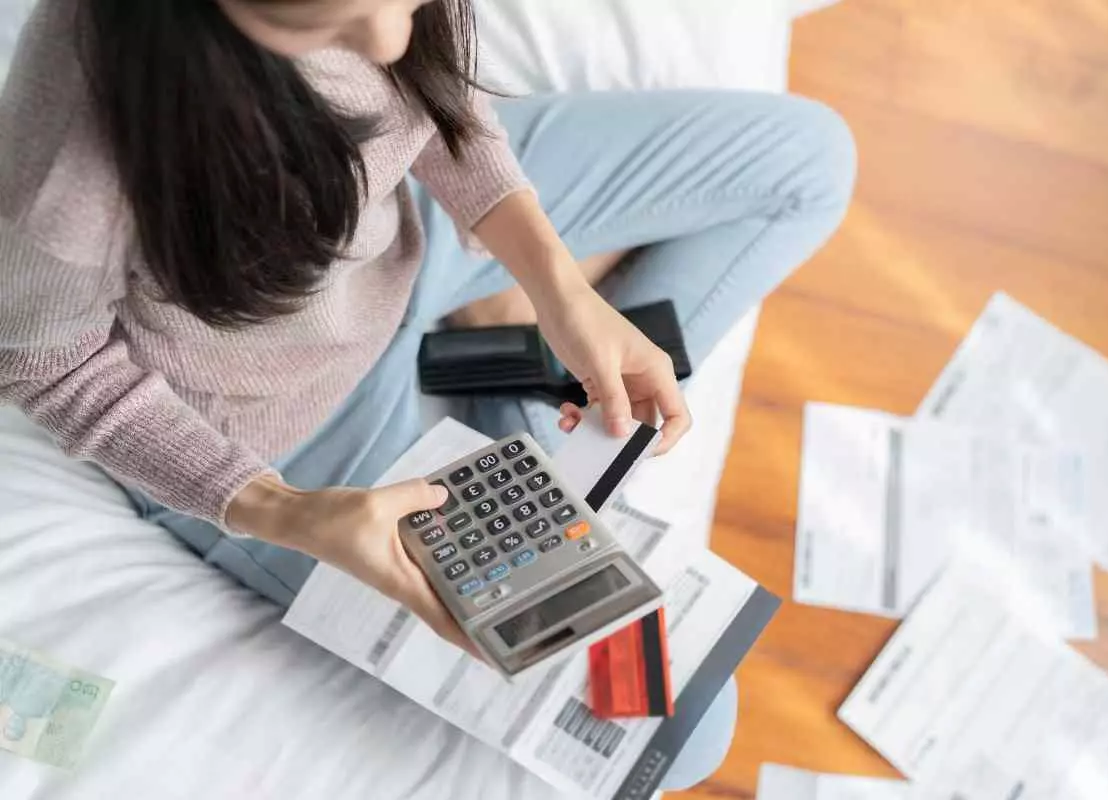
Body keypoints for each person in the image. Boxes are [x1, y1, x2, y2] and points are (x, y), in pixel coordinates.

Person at [0, 0, 854, 789]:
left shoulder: (387, 28)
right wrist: (283, 510)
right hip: (290, 438)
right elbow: (45, 361)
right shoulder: (78, 161)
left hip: (412, 230)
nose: (389, 43)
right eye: (331, 25)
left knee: (810, 162)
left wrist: (558, 288)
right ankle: (503, 382)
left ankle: (504, 343)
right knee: (685, 726)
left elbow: (437, 93)